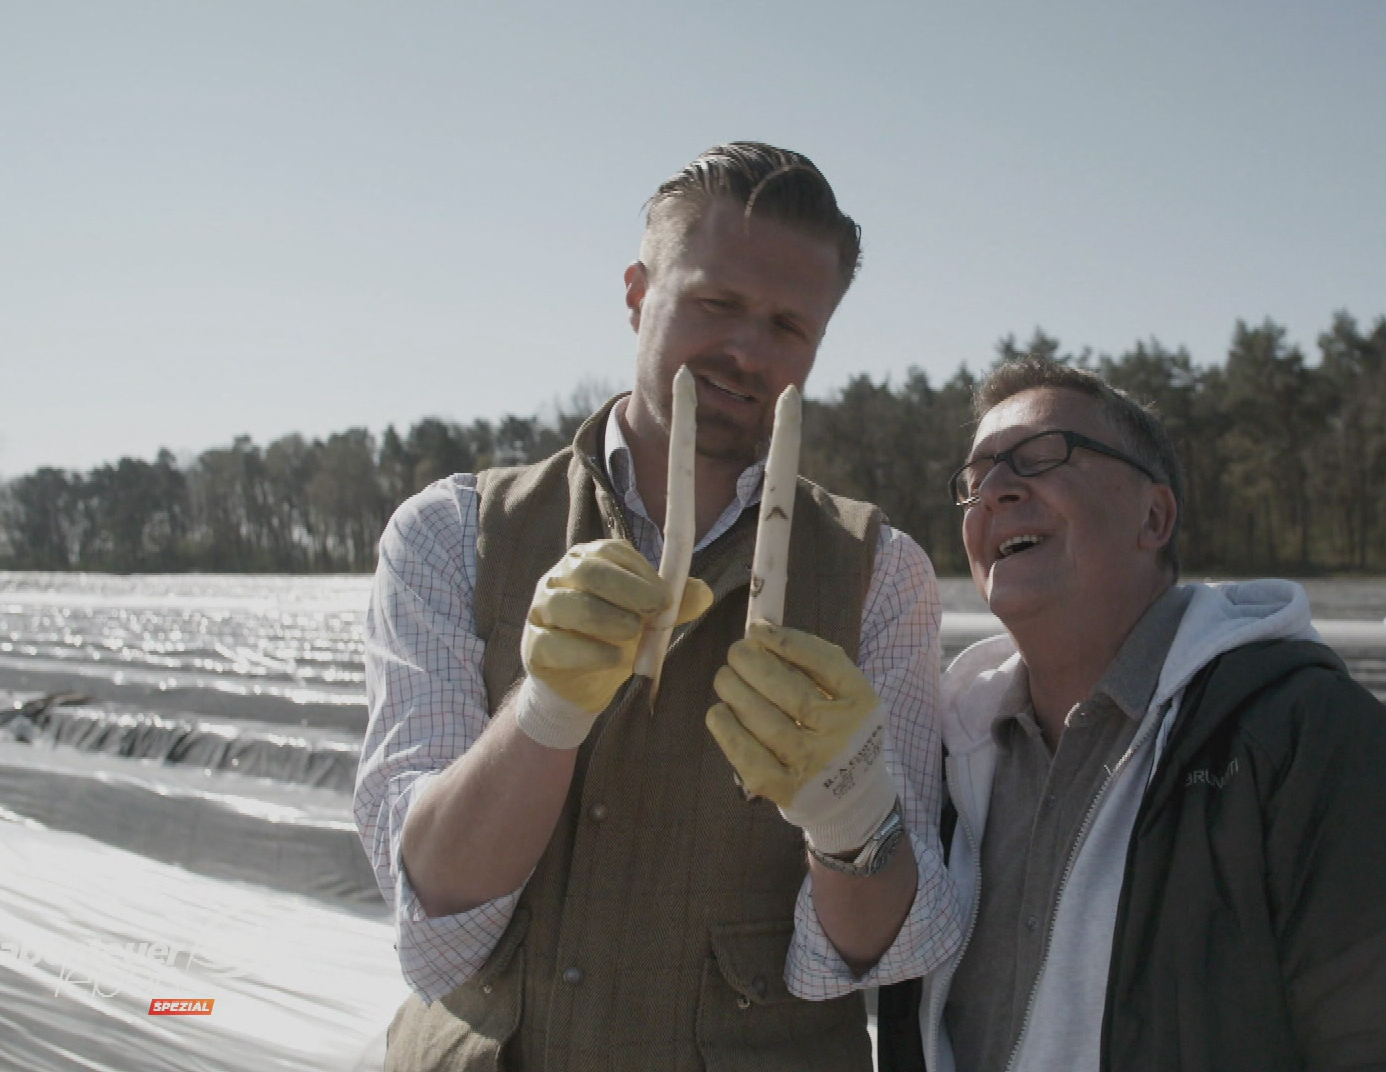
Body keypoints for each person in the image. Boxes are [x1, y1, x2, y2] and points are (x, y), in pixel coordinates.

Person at [354, 142, 963, 1072]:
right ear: (639, 292)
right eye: (715, 304)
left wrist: (852, 814)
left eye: (789, 325)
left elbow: (880, 950)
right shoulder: (452, 535)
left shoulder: (882, 573)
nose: (747, 351)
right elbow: (432, 915)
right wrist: (543, 711)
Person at [895, 357, 1386, 1072]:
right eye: (977, 477)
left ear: (1154, 517)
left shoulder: (1312, 745)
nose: (994, 491)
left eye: (1039, 455)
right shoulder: (944, 762)